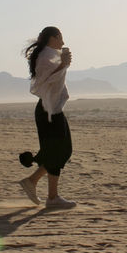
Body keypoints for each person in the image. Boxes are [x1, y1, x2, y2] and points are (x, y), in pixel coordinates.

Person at [18, 26, 76, 209]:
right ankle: (51, 196)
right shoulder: (45, 57)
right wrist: (63, 64)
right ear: (53, 38)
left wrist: (62, 64)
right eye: (61, 38)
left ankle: (34, 182)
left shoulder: (49, 55)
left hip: (53, 110)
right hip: (47, 111)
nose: (63, 43)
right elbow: (44, 81)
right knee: (59, 151)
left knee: (62, 150)